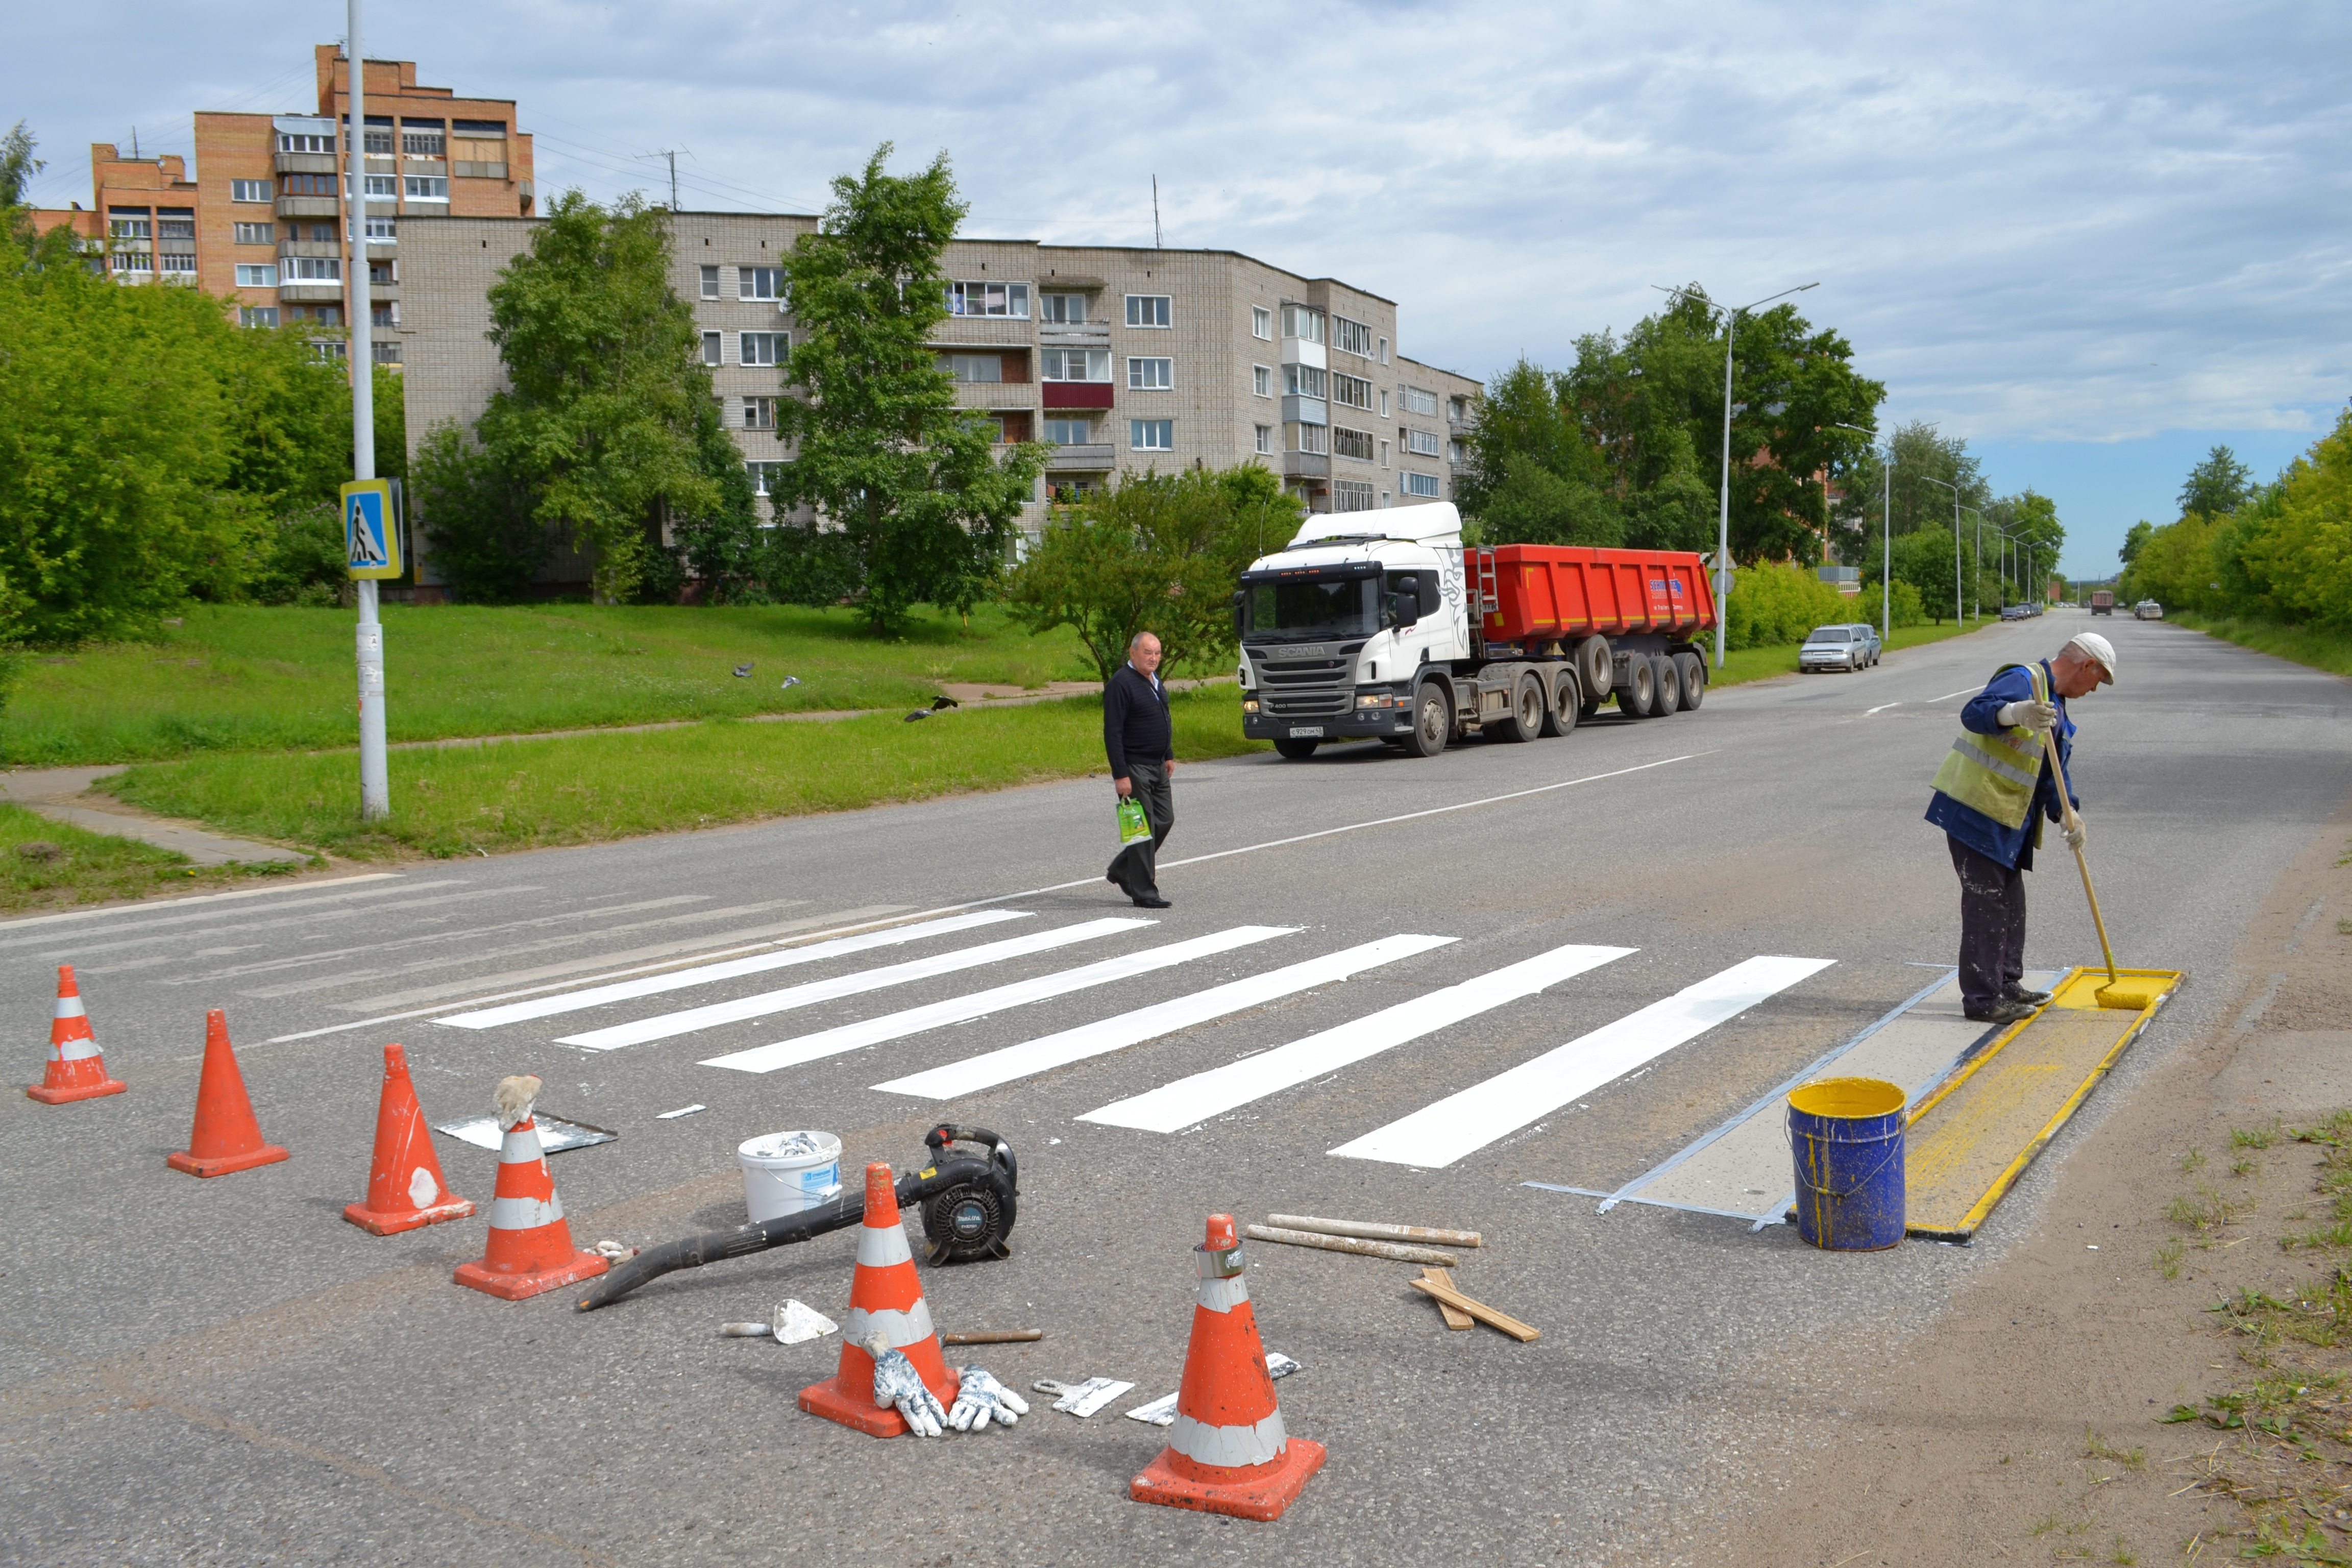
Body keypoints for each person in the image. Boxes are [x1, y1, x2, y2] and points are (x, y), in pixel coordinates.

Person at [1925, 631, 2116, 1023]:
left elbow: (2051, 773)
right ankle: (1983, 1000)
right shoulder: (2025, 681)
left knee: (2011, 903)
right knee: (1986, 904)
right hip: (1976, 811)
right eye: (2098, 679)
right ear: (2087, 666)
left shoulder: (2058, 706)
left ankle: (2007, 984)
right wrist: (2015, 713)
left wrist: (2068, 812)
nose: (2095, 688)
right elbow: (1974, 712)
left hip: (2007, 818)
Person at [1104, 630, 1175, 909]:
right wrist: (1120, 774)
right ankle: (1144, 892)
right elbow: (1113, 732)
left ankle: (1123, 869)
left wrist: (1168, 754)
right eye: (1148, 653)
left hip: (1158, 765)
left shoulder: (1155, 681)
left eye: (1157, 653)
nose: (1154, 658)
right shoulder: (1121, 684)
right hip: (1135, 767)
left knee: (1164, 820)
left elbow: (1162, 717)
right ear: (1133, 653)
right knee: (1141, 829)